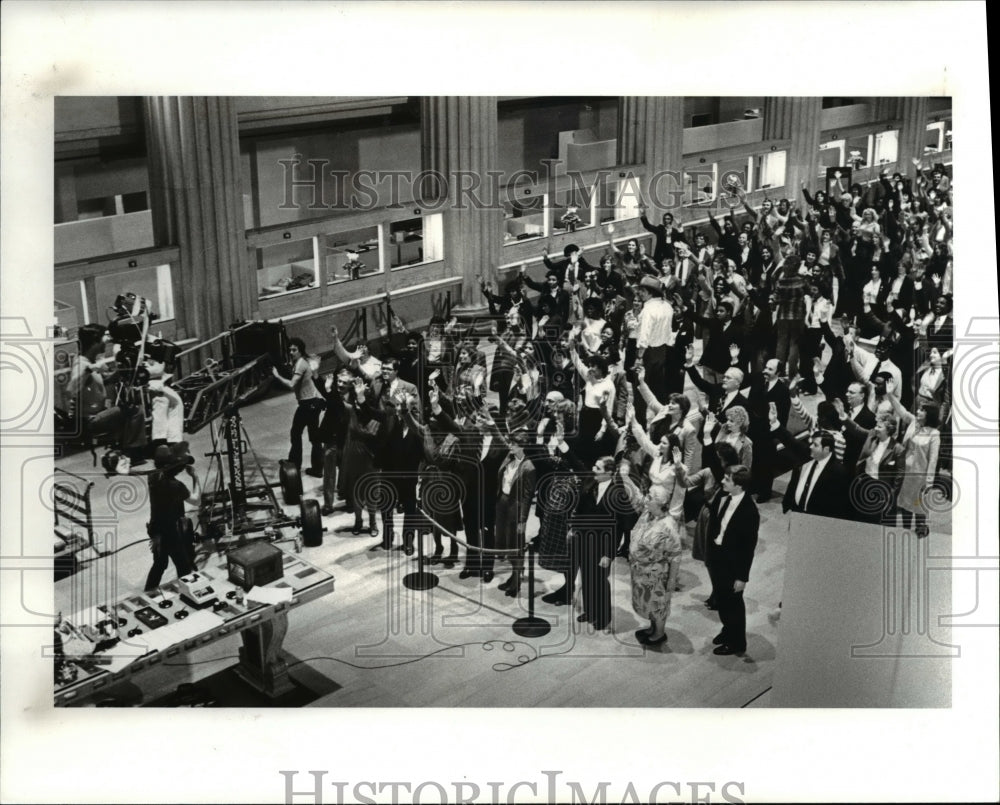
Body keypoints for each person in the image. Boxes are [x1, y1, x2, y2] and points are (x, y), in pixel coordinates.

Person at [705, 465, 760, 656]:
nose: (722, 481)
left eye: (727, 479)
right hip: (717, 559)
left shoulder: (749, 512)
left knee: (733, 604)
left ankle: (737, 642)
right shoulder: (723, 497)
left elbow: (748, 549)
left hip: (732, 565)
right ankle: (728, 630)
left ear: (739, 485)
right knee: (721, 599)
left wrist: (741, 577)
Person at [624, 483, 683, 647]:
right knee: (648, 603)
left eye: (649, 497)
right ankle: (652, 627)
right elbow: (636, 497)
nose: (646, 499)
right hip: (640, 571)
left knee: (658, 605)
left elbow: (676, 555)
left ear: (659, 503)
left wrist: (672, 581)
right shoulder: (648, 514)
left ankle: (659, 633)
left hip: (656, 574)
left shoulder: (668, 525)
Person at [569, 455, 620, 631]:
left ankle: (604, 617)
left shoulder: (617, 493)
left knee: (600, 581)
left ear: (610, 473)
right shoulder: (591, 484)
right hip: (584, 541)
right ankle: (590, 611)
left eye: (598, 468)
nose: (593, 470)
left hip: (602, 547)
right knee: (587, 578)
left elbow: (618, 528)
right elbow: (580, 510)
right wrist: (574, 529)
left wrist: (609, 554)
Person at [144, 442, 200, 591]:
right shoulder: (175, 486)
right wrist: (195, 478)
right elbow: (196, 500)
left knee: (160, 564)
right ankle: (186, 593)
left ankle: (148, 591)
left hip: (156, 529)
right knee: (183, 566)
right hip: (170, 532)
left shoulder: (153, 477)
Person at [271, 337, 325, 478]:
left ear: (300, 350)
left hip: (308, 404)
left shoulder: (301, 363)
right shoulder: (301, 361)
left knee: (296, 433)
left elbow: (291, 384)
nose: (291, 352)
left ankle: (295, 463)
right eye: (290, 349)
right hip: (313, 402)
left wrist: (276, 376)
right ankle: (317, 468)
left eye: (294, 349)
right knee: (314, 437)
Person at [492, 428, 537, 598]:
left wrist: (523, 520)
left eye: (513, 444)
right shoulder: (508, 457)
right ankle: (514, 574)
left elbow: (527, 497)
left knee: (516, 545)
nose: (510, 446)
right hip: (502, 504)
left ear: (522, 446)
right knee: (504, 542)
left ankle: (516, 580)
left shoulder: (529, 468)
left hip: (516, 509)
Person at [781, 431, 850, 519]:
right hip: (795, 512)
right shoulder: (805, 460)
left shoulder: (839, 473)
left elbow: (837, 506)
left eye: (815, 445)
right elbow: (793, 484)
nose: (810, 447)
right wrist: (787, 506)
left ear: (826, 449)